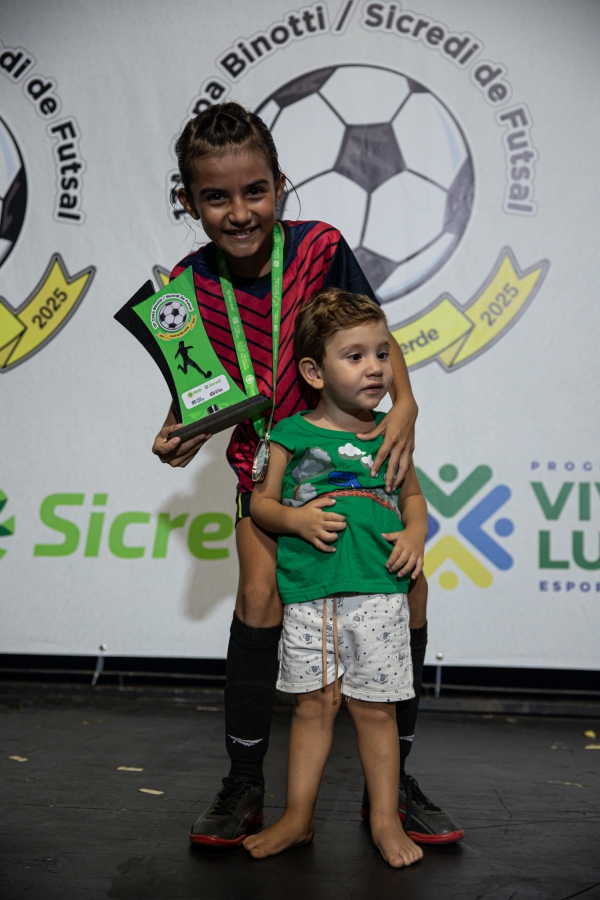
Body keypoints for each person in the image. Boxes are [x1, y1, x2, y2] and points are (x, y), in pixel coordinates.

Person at [151, 101, 463, 846]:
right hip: (267, 476)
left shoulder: (320, 247)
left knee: (411, 590)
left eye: (254, 191)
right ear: (189, 201)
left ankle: (396, 781)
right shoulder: (185, 289)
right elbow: (198, 395)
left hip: (355, 468)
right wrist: (181, 435)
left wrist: (406, 402)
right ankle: (244, 783)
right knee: (259, 596)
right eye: (216, 197)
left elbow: (373, 331)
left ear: (281, 185)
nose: (239, 212)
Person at [244, 288, 427, 867]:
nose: (375, 368)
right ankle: (298, 819)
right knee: (314, 707)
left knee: (375, 710)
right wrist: (295, 519)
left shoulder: (391, 433)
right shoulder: (290, 435)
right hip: (310, 596)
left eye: (382, 354)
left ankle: (384, 819)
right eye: (355, 356)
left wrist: (415, 534)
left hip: (380, 594)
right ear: (314, 372)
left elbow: (412, 497)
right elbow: (260, 504)